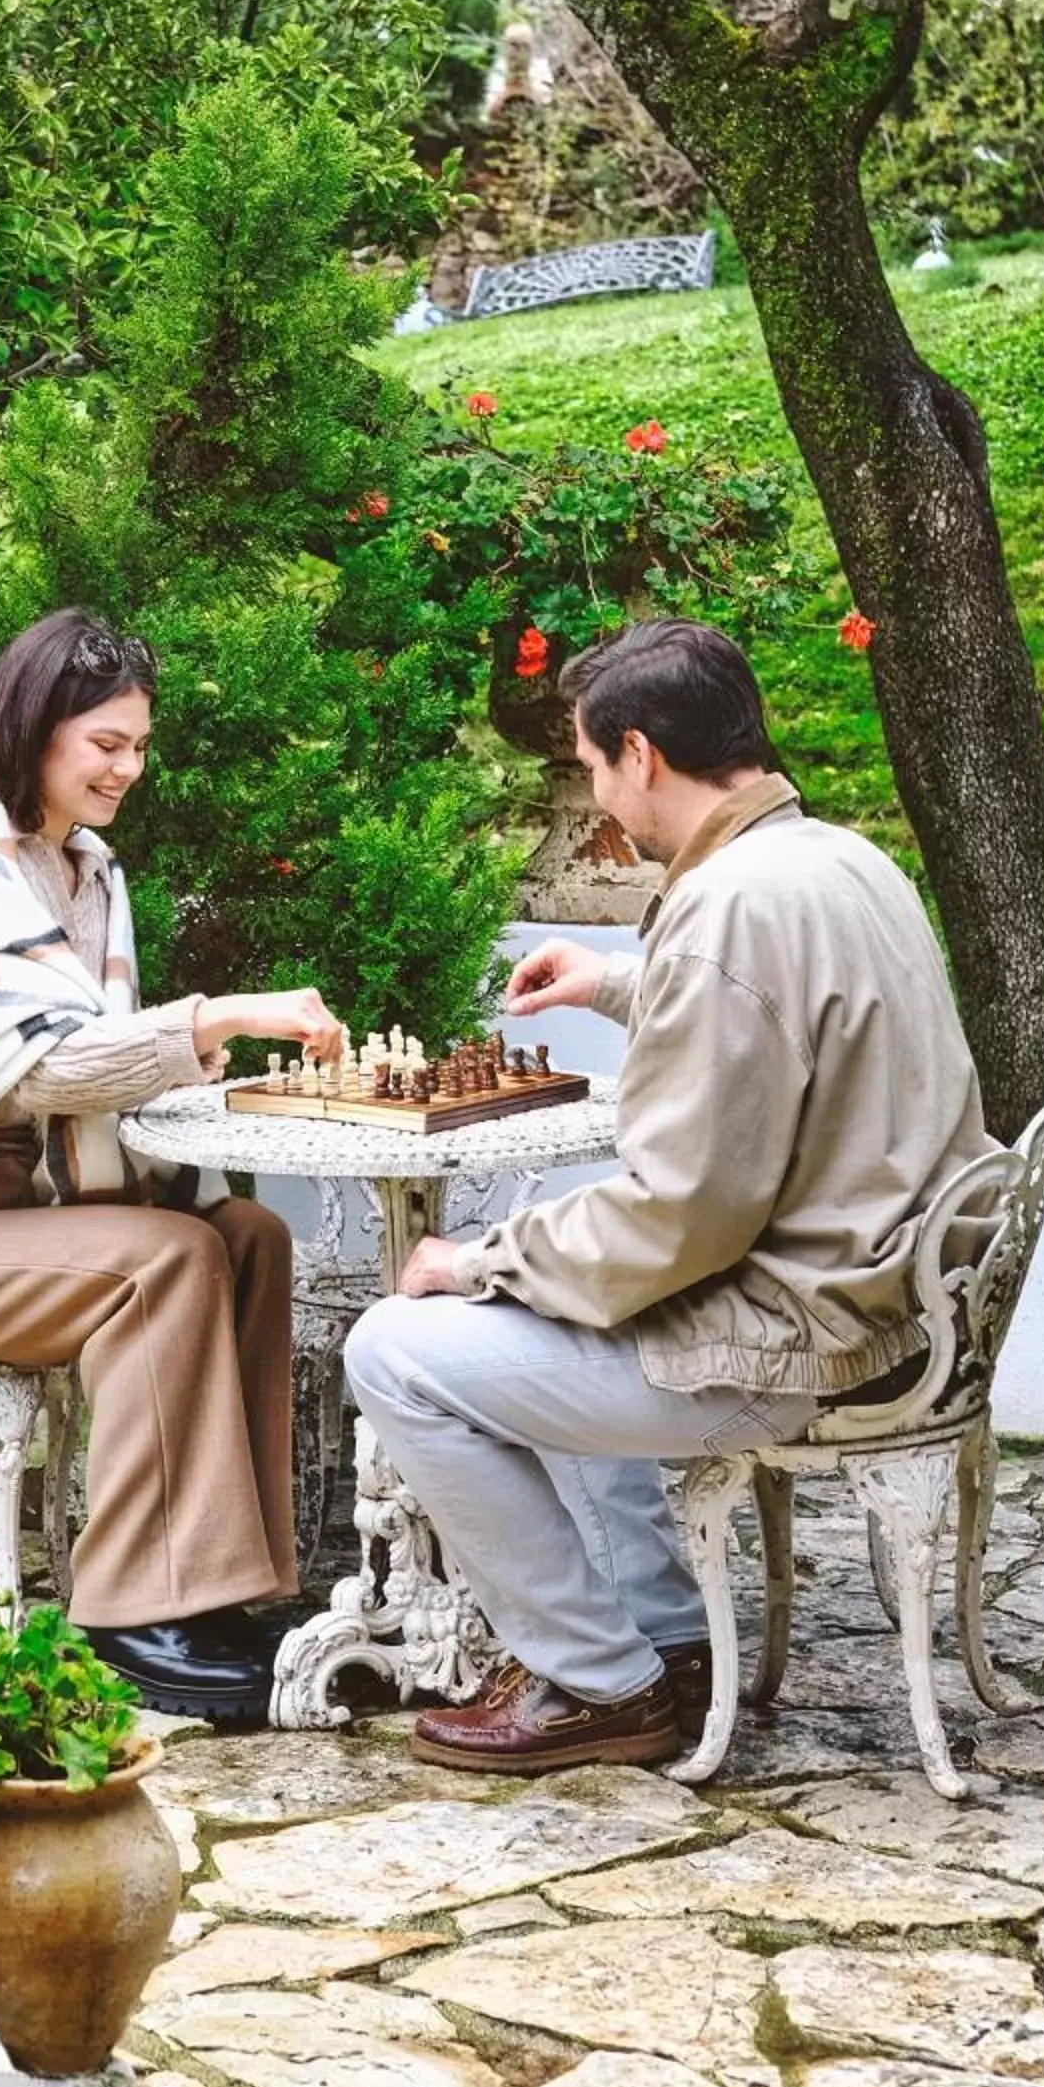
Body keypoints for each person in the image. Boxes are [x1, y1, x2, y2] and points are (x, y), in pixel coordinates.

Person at [344, 617, 990, 1772]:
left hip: (799, 1339)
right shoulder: (837, 858)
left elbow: (679, 1218)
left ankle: (594, 1683)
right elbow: (778, 1018)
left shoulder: (726, 908)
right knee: (562, 1293)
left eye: (592, 766)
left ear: (639, 754)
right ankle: (669, 1640)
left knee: (398, 1345)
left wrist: (477, 1259)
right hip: (891, 1302)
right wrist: (613, 984)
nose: (597, 796)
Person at [0, 607, 343, 1722]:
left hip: (13, 1216)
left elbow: (109, 1075)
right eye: (106, 743)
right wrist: (220, 1016)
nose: (128, 769)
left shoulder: (83, 873)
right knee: (160, 1264)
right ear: (34, 730)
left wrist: (236, 1083)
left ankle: (222, 1588)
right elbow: (40, 1072)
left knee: (247, 1236)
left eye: (138, 745)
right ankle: (130, 1615)